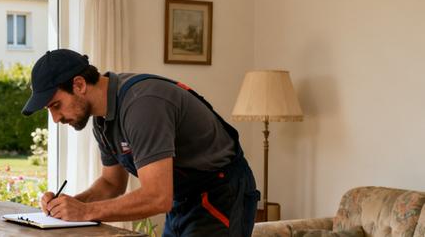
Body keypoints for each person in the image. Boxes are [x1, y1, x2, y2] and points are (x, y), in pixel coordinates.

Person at [22, 49, 260, 236]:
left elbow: (158, 196)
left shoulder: (143, 105)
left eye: (56, 105)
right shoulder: (102, 120)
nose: (55, 118)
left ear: (79, 85)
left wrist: (85, 212)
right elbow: (111, 182)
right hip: (183, 198)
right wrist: (70, 204)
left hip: (221, 193)